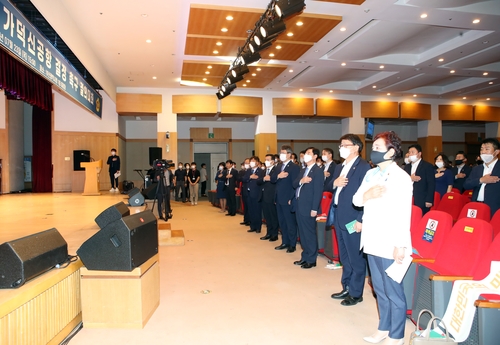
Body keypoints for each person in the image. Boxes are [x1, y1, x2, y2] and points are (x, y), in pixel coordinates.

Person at [352, 131, 412, 345]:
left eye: (378, 148)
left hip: (391, 242)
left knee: (393, 291)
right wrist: (367, 195)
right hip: (372, 239)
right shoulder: (371, 174)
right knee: (379, 289)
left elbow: (404, 214)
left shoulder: (401, 178)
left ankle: (397, 335)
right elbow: (357, 200)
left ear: (391, 152)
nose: (373, 151)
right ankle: (383, 328)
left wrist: (401, 246)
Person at [328, 134, 371, 306]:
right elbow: (329, 185)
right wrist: (334, 183)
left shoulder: (364, 167)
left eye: (344, 145)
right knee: (344, 256)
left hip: (353, 218)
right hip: (339, 215)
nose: (341, 148)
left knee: (355, 257)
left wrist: (361, 219)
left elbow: (367, 196)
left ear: (355, 147)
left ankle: (356, 293)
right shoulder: (340, 167)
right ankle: (346, 286)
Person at [292, 147, 324, 269]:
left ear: (315, 156)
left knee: (309, 234)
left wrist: (315, 209)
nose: (306, 155)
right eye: (305, 153)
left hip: (309, 207)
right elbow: (294, 184)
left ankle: (311, 259)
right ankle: (305, 257)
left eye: (308, 153)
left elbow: (318, 191)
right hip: (299, 205)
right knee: (303, 233)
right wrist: (302, 180)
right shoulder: (303, 170)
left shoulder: (317, 170)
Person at [271, 145, 300, 253]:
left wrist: (291, 198)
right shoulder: (278, 166)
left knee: (290, 222)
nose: (281, 155)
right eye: (280, 152)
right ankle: (285, 242)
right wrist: (279, 176)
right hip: (278, 198)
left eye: (283, 153)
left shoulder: (294, 167)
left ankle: (292, 244)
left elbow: (295, 184)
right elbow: (273, 179)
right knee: (282, 222)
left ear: (289, 154)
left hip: (287, 198)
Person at [464, 138, 500, 218]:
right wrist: (480, 180)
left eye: (487, 149)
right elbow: (466, 185)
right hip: (476, 205)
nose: (483, 152)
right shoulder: (477, 168)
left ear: (496, 152)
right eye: (481, 149)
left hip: (494, 208)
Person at [404, 144, 435, 214]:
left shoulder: (427, 166)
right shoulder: (407, 167)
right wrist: (410, 178)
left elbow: (431, 183)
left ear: (419, 154)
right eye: (409, 152)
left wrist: (429, 200)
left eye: (413, 152)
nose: (410, 154)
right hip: (409, 198)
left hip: (422, 198)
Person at [259, 154, 279, 241]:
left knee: (273, 216)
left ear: (273, 161)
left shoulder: (276, 170)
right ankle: (268, 233)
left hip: (271, 196)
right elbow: (258, 181)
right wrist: (264, 179)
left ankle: (274, 234)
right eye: (265, 159)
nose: (266, 161)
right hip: (263, 195)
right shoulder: (264, 170)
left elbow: (276, 181)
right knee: (267, 216)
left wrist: (270, 178)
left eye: (268, 159)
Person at [244, 156, 264, 233]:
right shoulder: (248, 170)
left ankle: (258, 227)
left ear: (257, 162)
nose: (251, 162)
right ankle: (252, 226)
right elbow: (244, 179)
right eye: (251, 161)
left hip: (256, 193)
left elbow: (262, 181)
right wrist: (250, 177)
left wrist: (257, 178)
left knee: (257, 211)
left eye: (253, 161)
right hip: (248, 193)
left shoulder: (261, 171)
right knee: (251, 210)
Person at [239, 158, 251, 226]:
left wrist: (246, 178)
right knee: (245, 205)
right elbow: (240, 178)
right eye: (245, 163)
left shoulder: (251, 171)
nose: (246, 164)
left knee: (250, 206)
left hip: (250, 190)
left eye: (247, 163)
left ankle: (249, 220)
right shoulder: (242, 171)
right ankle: (246, 219)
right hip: (244, 189)